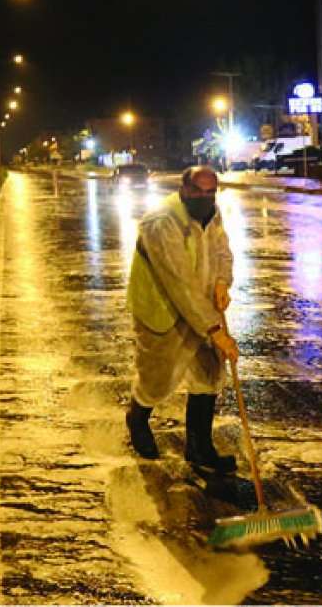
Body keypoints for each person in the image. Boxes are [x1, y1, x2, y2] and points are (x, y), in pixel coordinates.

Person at [125, 165, 240, 474]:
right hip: (162, 308)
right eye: (198, 191)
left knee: (208, 375)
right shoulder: (162, 222)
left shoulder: (211, 214)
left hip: (201, 307)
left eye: (210, 191)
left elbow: (221, 250)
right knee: (157, 378)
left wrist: (221, 281)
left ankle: (200, 448)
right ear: (184, 189)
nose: (205, 197)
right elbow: (179, 283)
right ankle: (137, 418)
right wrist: (216, 330)